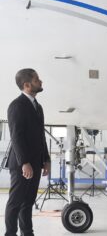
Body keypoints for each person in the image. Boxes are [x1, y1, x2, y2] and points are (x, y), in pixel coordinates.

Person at [5, 68, 51, 236]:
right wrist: (24, 163)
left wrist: (46, 159)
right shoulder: (16, 106)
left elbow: (41, 136)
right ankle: (10, 233)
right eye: (37, 79)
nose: (40, 81)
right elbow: (16, 137)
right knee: (15, 202)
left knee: (29, 202)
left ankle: (27, 232)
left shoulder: (38, 107)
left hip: (36, 162)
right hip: (21, 164)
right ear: (26, 85)